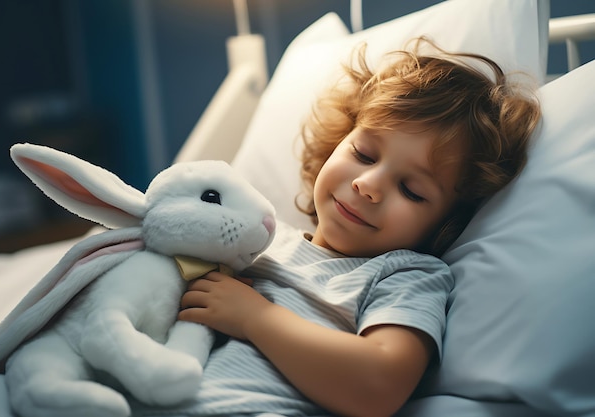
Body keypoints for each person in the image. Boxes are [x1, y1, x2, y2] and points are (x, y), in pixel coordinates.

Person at [173, 37, 541, 417]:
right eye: (363, 154)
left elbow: (378, 385)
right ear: (336, 143)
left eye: (411, 191)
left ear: (447, 224)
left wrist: (255, 318)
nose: (368, 186)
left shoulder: (404, 276)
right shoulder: (259, 238)